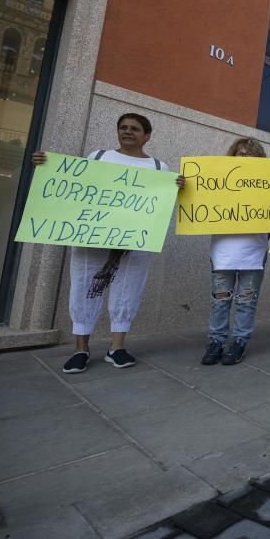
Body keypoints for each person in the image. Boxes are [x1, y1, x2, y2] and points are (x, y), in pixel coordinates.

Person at [32, 113, 184, 374]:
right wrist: (46, 166)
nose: (128, 132)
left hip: (135, 240)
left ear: (146, 136)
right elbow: (74, 187)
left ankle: (117, 347)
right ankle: (81, 348)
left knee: (128, 289)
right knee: (84, 285)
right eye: (123, 127)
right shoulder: (97, 158)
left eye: (135, 128)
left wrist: (178, 188)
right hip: (91, 236)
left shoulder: (160, 168)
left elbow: (161, 206)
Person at [200, 138, 270, 366]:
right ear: (233, 156)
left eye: (250, 154)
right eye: (241, 153)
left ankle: (239, 342)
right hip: (222, 252)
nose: (245, 158)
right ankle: (216, 341)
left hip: (253, 252)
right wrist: (187, 186)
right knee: (220, 300)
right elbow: (199, 202)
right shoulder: (218, 181)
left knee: (247, 301)